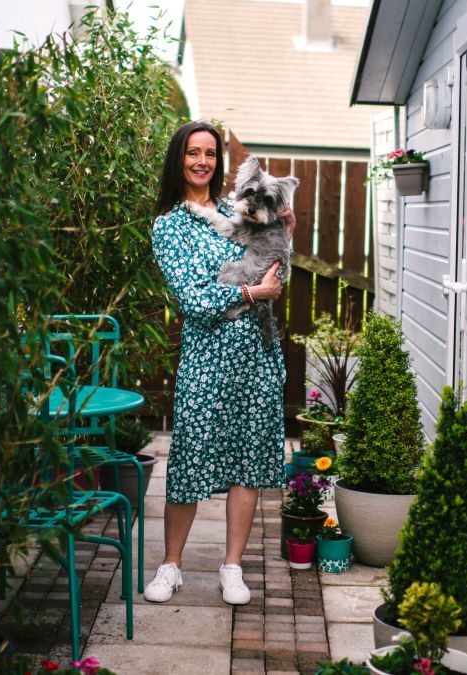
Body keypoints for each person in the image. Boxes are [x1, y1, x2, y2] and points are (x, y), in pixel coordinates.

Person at [145, 120, 293, 605]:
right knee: (190, 457)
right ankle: (171, 565)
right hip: (206, 359)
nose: (202, 161)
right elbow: (194, 300)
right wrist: (252, 293)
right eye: (193, 152)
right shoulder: (170, 225)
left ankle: (232, 567)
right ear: (179, 159)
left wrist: (286, 233)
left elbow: (276, 270)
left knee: (248, 460)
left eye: (209, 153)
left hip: (256, 355)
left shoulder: (240, 207)